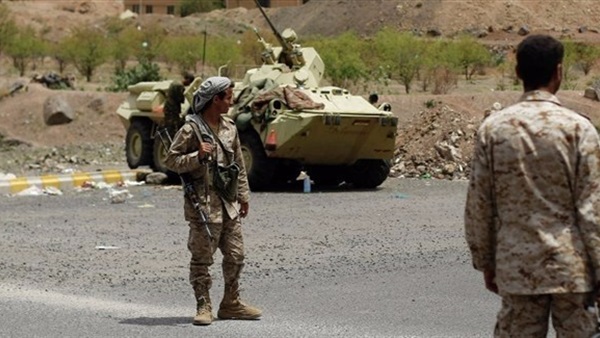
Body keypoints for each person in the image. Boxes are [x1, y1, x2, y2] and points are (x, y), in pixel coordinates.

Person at [464, 34, 600, 337]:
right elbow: (593, 210)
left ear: (518, 73)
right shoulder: (580, 130)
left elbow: (479, 205)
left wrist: (485, 261)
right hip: (572, 270)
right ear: (559, 72)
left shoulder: (493, 130)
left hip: (517, 269)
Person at [165, 76, 262, 326]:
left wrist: (243, 196)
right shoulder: (191, 129)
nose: (231, 101)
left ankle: (231, 303)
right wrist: (197, 156)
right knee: (202, 259)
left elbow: (238, 164)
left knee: (236, 255)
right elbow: (171, 161)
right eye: (228, 97)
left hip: (228, 204)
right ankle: (203, 304)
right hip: (203, 207)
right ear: (215, 99)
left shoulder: (230, 127)